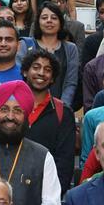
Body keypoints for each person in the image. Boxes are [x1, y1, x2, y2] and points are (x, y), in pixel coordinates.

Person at [21, 48, 79, 193]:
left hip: (45, 192)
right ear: (25, 72)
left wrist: (54, 197)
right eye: (36, 67)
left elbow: (64, 163)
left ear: (52, 78)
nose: (41, 73)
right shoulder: (9, 107)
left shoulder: (63, 112)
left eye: (47, 70)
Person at [29, 1, 79, 107]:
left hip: (60, 105)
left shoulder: (71, 48)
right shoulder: (28, 45)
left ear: (61, 22)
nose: (49, 21)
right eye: (44, 18)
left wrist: (62, 107)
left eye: (54, 18)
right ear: (37, 22)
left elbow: (71, 82)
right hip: (30, 105)